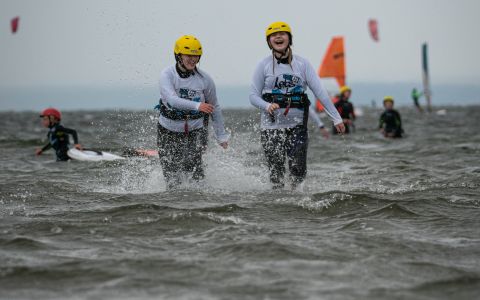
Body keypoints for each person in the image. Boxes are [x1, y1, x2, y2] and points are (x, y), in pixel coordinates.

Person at [250, 21, 345, 190]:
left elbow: (320, 91)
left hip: (297, 125)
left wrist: (336, 118)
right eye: (273, 35)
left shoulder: (303, 64)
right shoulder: (263, 65)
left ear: (289, 38)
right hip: (271, 127)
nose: (278, 36)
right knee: (276, 174)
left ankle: (298, 202)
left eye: (282, 34)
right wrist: (266, 106)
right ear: (269, 41)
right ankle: (279, 206)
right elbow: (253, 96)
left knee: (298, 168)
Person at [157, 35, 229, 190]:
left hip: (196, 130)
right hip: (167, 130)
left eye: (196, 56)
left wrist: (221, 135)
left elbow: (214, 106)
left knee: (194, 171)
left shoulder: (205, 79)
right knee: (171, 176)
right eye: (188, 55)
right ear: (178, 55)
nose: (192, 59)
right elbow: (172, 100)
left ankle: (198, 203)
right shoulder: (167, 75)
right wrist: (198, 106)